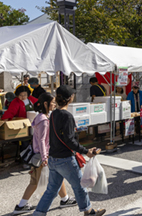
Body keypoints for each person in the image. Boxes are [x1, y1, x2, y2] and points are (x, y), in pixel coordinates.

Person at [33, 85, 105, 216]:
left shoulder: (53, 114)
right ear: (70, 98)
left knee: (51, 190)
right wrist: (86, 151)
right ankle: (89, 212)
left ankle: (38, 213)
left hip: (53, 159)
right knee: (80, 187)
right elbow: (70, 141)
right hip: (65, 159)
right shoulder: (67, 116)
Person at [14, 93, 77, 215]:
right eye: (52, 102)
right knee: (35, 182)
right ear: (45, 104)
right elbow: (42, 140)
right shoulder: (44, 120)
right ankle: (21, 206)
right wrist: (44, 157)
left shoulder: (41, 117)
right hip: (43, 156)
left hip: (42, 154)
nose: (54, 104)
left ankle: (65, 199)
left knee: (57, 177)